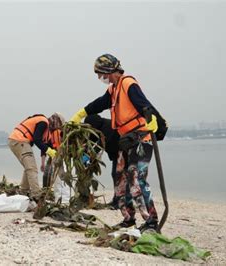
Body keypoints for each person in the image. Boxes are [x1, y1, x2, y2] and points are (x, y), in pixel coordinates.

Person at [70, 54, 165, 232]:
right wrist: (82, 113)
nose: (100, 78)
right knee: (120, 179)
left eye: (101, 74)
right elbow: (99, 104)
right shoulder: (113, 90)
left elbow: (144, 104)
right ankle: (128, 219)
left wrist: (151, 119)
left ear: (109, 71)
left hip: (140, 138)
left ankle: (151, 221)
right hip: (125, 140)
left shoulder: (128, 84)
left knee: (136, 179)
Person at [8, 113, 63, 200]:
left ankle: (23, 192)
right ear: (56, 122)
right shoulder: (43, 123)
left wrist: (44, 160)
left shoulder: (47, 129)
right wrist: (50, 151)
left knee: (28, 168)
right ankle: (36, 195)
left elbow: (43, 146)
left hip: (16, 141)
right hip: (19, 140)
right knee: (32, 169)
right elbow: (37, 140)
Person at [84, 114, 120, 208]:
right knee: (116, 175)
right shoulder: (99, 128)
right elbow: (91, 141)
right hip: (117, 154)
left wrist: (88, 157)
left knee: (118, 175)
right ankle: (117, 199)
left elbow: (99, 145)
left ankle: (120, 201)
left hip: (123, 153)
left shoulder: (108, 127)